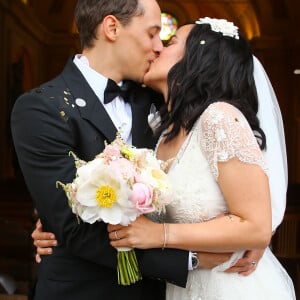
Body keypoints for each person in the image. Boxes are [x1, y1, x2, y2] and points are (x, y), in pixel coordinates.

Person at [11, 1, 191, 299]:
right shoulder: (41, 108)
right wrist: (191, 262)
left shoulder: (162, 98)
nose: (159, 47)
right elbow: (74, 227)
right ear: (112, 27)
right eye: (152, 33)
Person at [106, 19, 296, 299]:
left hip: (231, 287)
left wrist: (159, 235)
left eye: (170, 43)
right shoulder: (163, 131)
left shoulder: (219, 118)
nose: (157, 49)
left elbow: (256, 226)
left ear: (198, 59)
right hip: (184, 286)